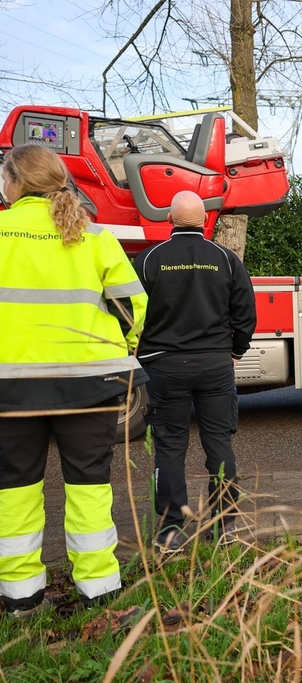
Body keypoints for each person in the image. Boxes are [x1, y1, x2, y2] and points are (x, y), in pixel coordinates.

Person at [0, 144, 147, 615]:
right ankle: (99, 590)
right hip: (88, 384)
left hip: (10, 387)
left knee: (16, 490)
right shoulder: (95, 236)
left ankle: (21, 597)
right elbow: (136, 309)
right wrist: (113, 350)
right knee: (89, 487)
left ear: (14, 181)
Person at [134, 191, 257, 553]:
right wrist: (234, 351)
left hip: (164, 366)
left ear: (169, 220)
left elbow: (128, 312)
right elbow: (246, 314)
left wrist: (141, 355)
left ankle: (171, 530)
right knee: (219, 442)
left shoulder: (148, 260)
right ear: (204, 221)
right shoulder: (225, 259)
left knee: (170, 446)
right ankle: (226, 525)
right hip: (215, 366)